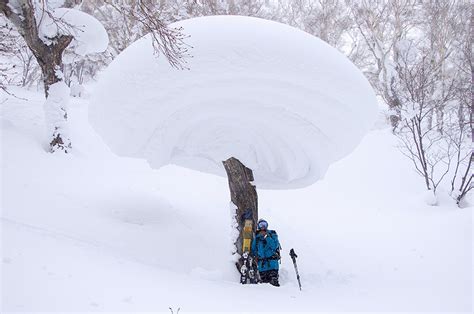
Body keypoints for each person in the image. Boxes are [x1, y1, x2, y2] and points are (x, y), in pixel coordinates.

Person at [251, 218, 281, 286]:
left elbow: (274, 246)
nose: (263, 227)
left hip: (272, 264)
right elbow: (254, 249)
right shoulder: (257, 238)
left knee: (274, 284)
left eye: (264, 224)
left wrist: (267, 237)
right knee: (265, 287)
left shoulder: (272, 234)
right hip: (262, 266)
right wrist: (256, 258)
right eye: (261, 225)